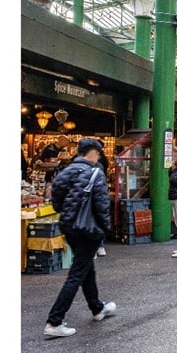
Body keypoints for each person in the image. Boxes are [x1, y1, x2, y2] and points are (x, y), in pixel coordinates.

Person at [44, 138, 115, 338]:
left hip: (71, 227)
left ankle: (97, 307)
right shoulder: (96, 172)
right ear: (94, 153)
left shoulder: (65, 172)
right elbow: (102, 205)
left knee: (85, 267)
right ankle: (54, 321)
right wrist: (106, 228)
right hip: (90, 229)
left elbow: (56, 200)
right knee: (77, 273)